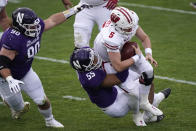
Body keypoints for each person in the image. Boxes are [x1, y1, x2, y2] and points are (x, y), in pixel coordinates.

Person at [0, 3, 89, 128]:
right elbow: (2, 64)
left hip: (25, 70)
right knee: (19, 107)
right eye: (30, 26)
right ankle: (9, 100)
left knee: (41, 99)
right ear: (20, 26)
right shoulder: (12, 39)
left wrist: (74, 10)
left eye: (35, 25)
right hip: (5, 76)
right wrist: (9, 79)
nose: (35, 28)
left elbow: (52, 20)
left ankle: (49, 120)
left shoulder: (35, 27)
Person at [70, 47, 171, 126]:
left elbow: (81, 48)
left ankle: (155, 99)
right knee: (147, 82)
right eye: (94, 60)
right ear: (87, 68)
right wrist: (127, 58)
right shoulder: (90, 79)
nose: (97, 58)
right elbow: (119, 78)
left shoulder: (82, 65)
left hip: (112, 92)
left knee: (141, 83)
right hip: (114, 106)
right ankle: (148, 115)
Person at [93, 6, 163, 119]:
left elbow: (144, 38)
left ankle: (148, 111)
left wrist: (148, 53)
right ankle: (148, 105)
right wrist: (137, 57)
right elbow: (118, 66)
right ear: (117, 27)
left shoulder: (130, 23)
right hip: (109, 62)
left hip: (126, 52)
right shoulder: (111, 38)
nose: (131, 30)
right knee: (135, 91)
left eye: (132, 26)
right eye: (127, 28)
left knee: (148, 75)